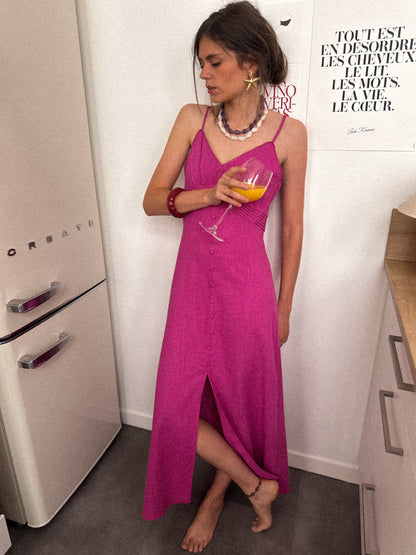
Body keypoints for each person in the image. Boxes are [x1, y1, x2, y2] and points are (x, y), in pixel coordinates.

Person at [142, 1, 306, 552]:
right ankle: (256, 484)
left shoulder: (290, 135)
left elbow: (291, 229)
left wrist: (284, 307)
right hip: (192, 284)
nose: (204, 75)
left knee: (237, 400)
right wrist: (208, 193)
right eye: (201, 64)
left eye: (214, 62)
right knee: (175, 410)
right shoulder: (192, 119)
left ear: (251, 62)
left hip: (247, 288)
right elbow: (152, 200)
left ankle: (214, 498)